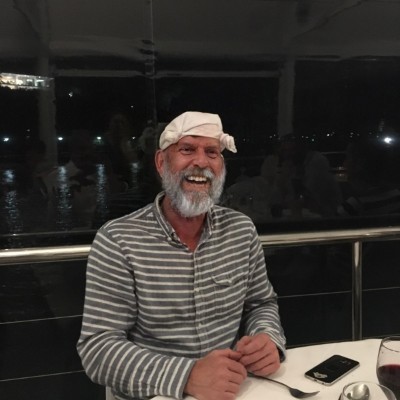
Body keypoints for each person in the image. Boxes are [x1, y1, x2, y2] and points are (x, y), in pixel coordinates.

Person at [77, 111, 286, 400]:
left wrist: (267, 338)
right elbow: (98, 348)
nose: (201, 162)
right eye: (187, 149)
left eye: (212, 152)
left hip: (230, 391)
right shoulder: (118, 240)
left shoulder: (241, 230)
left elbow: (261, 303)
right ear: (161, 162)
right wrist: (187, 376)